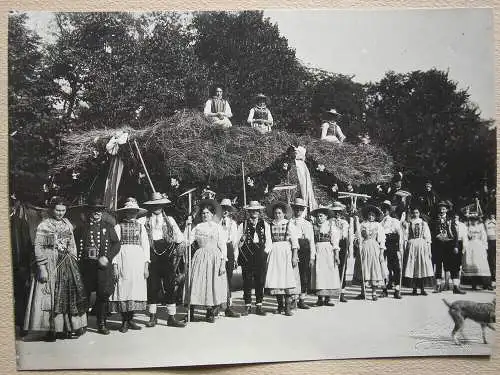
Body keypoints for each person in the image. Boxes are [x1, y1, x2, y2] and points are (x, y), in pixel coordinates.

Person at [24, 196, 87, 342]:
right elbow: (38, 247)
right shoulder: (44, 225)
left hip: (66, 262)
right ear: (52, 209)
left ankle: (66, 328)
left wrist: (73, 259)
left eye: (63, 210)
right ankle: (50, 329)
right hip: (50, 262)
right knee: (50, 295)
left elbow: (72, 244)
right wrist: (42, 267)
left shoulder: (67, 224)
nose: (60, 213)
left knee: (67, 294)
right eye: (58, 210)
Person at [75, 198, 120, 335]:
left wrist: (108, 257)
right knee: (84, 295)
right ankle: (82, 324)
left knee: (102, 295)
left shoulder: (108, 227)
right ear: (90, 211)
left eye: (99, 210)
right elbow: (74, 245)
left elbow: (116, 244)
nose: (97, 213)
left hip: (102, 267)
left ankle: (101, 324)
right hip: (86, 266)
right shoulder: (81, 227)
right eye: (95, 210)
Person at [142, 192, 186, 328]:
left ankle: (171, 317)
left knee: (170, 285)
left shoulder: (170, 220)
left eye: (159, 204)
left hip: (167, 254)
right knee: (152, 285)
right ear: (151, 206)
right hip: (151, 253)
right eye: (155, 205)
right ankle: (153, 316)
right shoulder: (143, 220)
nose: (157, 207)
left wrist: (180, 244)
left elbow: (180, 238)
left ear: (163, 205)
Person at [109, 198, 150, 333]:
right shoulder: (118, 227)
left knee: (135, 289)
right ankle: (124, 321)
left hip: (138, 261)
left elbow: (146, 247)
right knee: (123, 288)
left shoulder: (141, 227)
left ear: (137, 213)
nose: (131, 214)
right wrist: (114, 265)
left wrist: (146, 266)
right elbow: (114, 247)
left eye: (134, 212)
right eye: (129, 212)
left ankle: (131, 319)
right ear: (125, 213)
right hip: (123, 259)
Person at [185, 199, 228, 323]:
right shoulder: (197, 227)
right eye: (203, 213)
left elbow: (223, 246)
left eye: (207, 213)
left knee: (211, 284)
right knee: (196, 282)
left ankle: (210, 312)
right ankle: (190, 311)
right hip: (200, 256)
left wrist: (222, 263)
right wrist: (188, 226)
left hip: (214, 257)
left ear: (212, 214)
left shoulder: (217, 227)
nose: (205, 215)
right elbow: (188, 240)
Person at [265, 201, 300, 316]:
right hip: (274, 253)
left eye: (280, 213)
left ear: (284, 214)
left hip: (286, 252)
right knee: (277, 279)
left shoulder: (289, 224)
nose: (277, 215)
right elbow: (268, 241)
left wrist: (294, 256)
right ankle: (279, 306)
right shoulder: (270, 225)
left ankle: (287, 307)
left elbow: (294, 241)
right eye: (275, 213)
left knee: (286, 278)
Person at [237, 201, 272, 316]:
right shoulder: (243, 224)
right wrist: (241, 240)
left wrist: (265, 253)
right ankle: (247, 305)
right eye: (252, 210)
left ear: (259, 211)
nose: (254, 212)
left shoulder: (265, 224)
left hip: (260, 254)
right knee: (247, 280)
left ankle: (259, 305)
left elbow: (269, 241)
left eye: (256, 210)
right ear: (249, 212)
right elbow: (237, 242)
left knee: (260, 280)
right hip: (247, 255)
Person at [353, 205, 386, 301]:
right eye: (369, 215)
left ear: (375, 217)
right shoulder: (362, 224)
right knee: (363, 268)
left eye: (373, 215)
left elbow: (382, 239)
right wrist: (357, 241)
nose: (371, 217)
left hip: (374, 248)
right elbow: (356, 236)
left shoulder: (378, 225)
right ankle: (363, 292)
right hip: (364, 248)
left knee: (373, 269)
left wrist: (381, 252)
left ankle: (374, 293)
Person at [310, 205, 341, 306]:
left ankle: (328, 298)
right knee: (319, 273)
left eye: (321, 216)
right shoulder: (313, 226)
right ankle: (319, 298)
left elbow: (335, 242)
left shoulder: (330, 226)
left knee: (328, 272)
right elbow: (312, 241)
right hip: (317, 249)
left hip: (328, 250)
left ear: (326, 217)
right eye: (318, 216)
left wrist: (336, 255)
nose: (319, 218)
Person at [289, 198, 316, 309]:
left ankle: (302, 299)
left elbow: (311, 241)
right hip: (292, 249)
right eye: (296, 208)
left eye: (300, 209)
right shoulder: (289, 222)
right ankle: (292, 299)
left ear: (303, 210)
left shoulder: (307, 224)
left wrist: (312, 257)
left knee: (304, 274)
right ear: (293, 209)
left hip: (304, 248)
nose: (298, 211)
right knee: (293, 274)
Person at [402, 206, 434, 296]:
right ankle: (414, 288)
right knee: (413, 266)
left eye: (417, 212)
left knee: (422, 265)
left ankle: (422, 288)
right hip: (412, 245)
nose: (415, 214)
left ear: (419, 213)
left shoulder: (424, 223)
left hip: (422, 245)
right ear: (412, 213)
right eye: (414, 212)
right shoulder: (409, 223)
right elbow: (405, 234)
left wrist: (429, 250)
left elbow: (428, 238)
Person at [219, 198, 241, 318]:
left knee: (228, 278)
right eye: (223, 208)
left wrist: (235, 258)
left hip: (229, 250)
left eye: (227, 209)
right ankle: (216, 306)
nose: (225, 211)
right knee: (217, 277)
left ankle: (228, 306)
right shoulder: (216, 222)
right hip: (217, 250)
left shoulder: (232, 224)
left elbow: (235, 243)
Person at [379, 201, 404, 299]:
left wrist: (400, 247)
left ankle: (397, 290)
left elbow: (400, 234)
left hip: (393, 243)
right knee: (383, 266)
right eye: (383, 209)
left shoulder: (394, 221)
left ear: (389, 211)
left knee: (396, 267)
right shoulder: (380, 223)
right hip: (382, 243)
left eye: (386, 209)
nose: (384, 211)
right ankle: (384, 289)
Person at [430, 201, 456, 293]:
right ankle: (438, 285)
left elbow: (454, 232)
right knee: (438, 265)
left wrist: (455, 244)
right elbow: (432, 231)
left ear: (447, 210)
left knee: (448, 264)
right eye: (440, 209)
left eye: (444, 209)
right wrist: (436, 236)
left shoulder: (450, 219)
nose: (442, 211)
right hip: (438, 244)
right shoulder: (434, 220)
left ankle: (447, 284)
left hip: (448, 244)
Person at [462, 214, 492, 290]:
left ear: (477, 220)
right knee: (472, 263)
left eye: (475, 219)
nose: (473, 221)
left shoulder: (481, 226)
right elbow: (465, 237)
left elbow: (484, 236)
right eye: (472, 219)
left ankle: (486, 284)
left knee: (482, 264)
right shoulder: (468, 227)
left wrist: (485, 246)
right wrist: (465, 246)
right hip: (471, 246)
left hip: (479, 245)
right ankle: (474, 283)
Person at [330, 201, 351, 302]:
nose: (337, 214)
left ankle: (342, 292)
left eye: (338, 212)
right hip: (331, 245)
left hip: (342, 244)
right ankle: (329, 292)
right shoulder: (330, 222)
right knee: (332, 267)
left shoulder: (345, 222)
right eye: (335, 212)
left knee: (342, 267)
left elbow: (347, 235)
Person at [450, 211, 467, 294]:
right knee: (453, 265)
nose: (455, 217)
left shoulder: (462, 225)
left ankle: (457, 285)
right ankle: (454, 286)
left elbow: (465, 237)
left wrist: (464, 248)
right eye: (454, 216)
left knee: (458, 265)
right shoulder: (450, 225)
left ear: (459, 217)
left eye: (456, 216)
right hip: (451, 244)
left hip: (460, 244)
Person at [484, 211, 496, 288]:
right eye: (491, 214)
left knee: (494, 260)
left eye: (493, 214)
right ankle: (491, 277)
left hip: (495, 241)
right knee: (490, 259)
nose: (492, 215)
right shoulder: (486, 222)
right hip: (488, 241)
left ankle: (494, 277)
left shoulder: (497, 222)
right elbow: (485, 232)